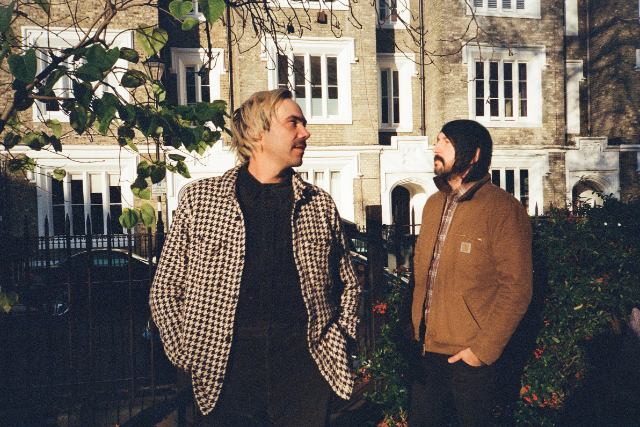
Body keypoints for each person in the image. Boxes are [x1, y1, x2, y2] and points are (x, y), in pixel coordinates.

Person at [150, 89, 361, 426]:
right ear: (255, 132)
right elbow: (165, 288)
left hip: (304, 372)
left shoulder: (318, 204)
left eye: (304, 123)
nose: (305, 133)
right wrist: (186, 355)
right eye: (293, 123)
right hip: (223, 371)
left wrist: (341, 339)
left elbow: (349, 284)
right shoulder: (201, 200)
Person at [408, 120, 533, 427]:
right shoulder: (432, 204)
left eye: (445, 142)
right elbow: (421, 277)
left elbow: (517, 288)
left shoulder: (503, 209)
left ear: (473, 155)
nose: (435, 148)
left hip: (470, 361)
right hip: (425, 353)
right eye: (437, 141)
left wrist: (481, 351)